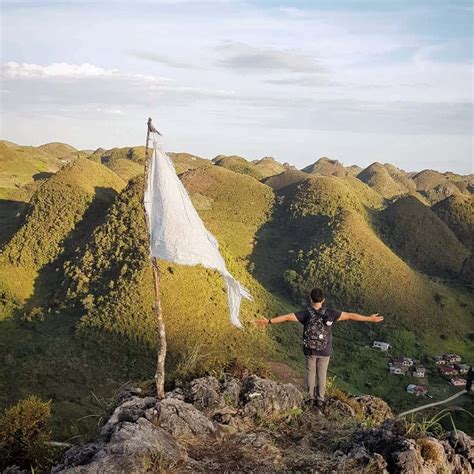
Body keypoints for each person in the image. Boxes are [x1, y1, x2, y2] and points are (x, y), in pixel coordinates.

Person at [255, 287, 384, 407]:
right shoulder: (331, 313)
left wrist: (268, 321)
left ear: (311, 299)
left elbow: (287, 317)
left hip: (310, 349)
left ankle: (310, 397)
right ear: (323, 300)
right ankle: (320, 399)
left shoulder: (305, 313)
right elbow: (351, 315)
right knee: (322, 374)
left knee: (311, 373)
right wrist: (369, 318)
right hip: (325, 350)